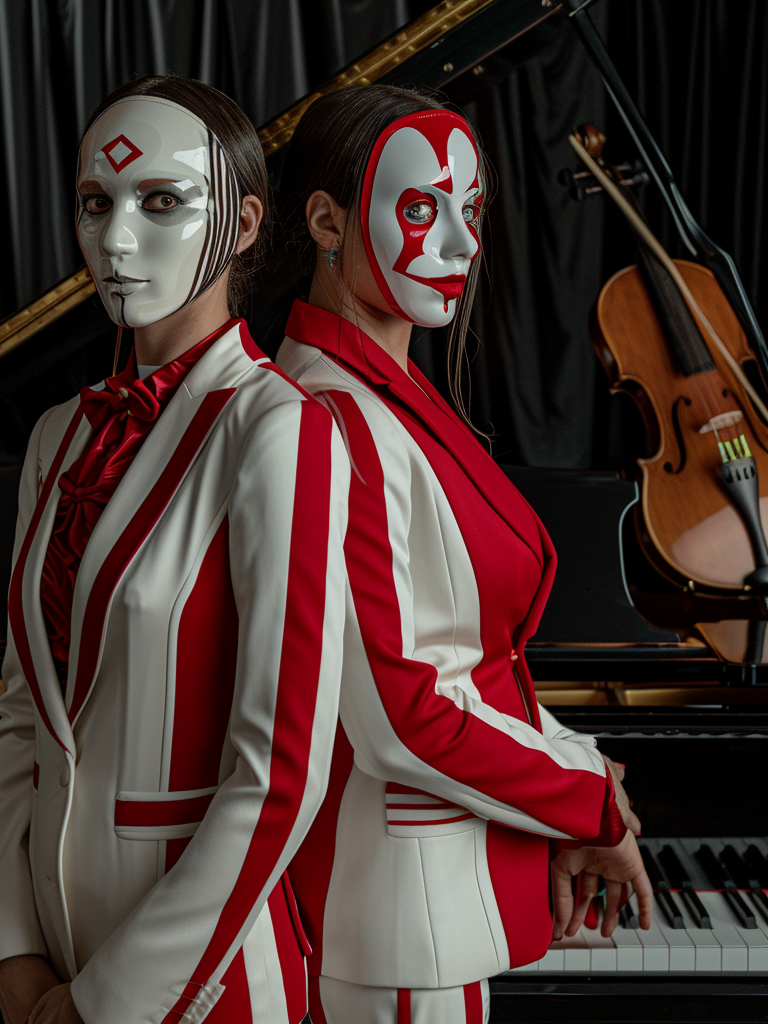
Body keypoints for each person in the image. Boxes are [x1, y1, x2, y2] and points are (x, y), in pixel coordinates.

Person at [275, 84, 653, 1024]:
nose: (462, 243)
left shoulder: (390, 396)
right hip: (396, 908)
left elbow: (475, 664)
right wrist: (590, 805)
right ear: (324, 217)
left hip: (435, 886)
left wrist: (578, 778)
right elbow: (406, 712)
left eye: (470, 211)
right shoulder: (336, 420)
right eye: (419, 207)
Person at [0, 76, 350, 1024]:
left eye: (162, 201)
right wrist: (13, 959)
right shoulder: (58, 436)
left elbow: (280, 778)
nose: (113, 239)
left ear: (242, 223)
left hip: (202, 985)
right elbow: (23, 721)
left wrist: (101, 1004)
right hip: (48, 968)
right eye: (96, 204)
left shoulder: (281, 430)